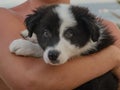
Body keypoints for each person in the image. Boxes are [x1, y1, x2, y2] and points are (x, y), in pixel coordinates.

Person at [0, 0, 120, 90]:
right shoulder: (4, 17)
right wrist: (113, 56)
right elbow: (31, 82)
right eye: (46, 33)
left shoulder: (102, 26)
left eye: (69, 34)